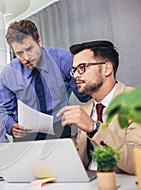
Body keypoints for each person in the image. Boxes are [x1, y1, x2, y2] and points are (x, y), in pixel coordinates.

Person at [0, 19, 90, 141]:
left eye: (29, 49)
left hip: (60, 130)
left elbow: (87, 97)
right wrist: (10, 125)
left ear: (39, 41)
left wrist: (82, 136)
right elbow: (2, 109)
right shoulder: (9, 73)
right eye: (19, 53)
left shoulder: (64, 60)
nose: (26, 57)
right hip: (26, 135)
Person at [57, 40, 141, 174]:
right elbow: (86, 164)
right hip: (88, 186)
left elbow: (136, 163)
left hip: (121, 187)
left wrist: (94, 128)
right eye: (74, 70)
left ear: (107, 69)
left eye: (82, 67)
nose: (76, 75)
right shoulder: (85, 109)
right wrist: (72, 149)